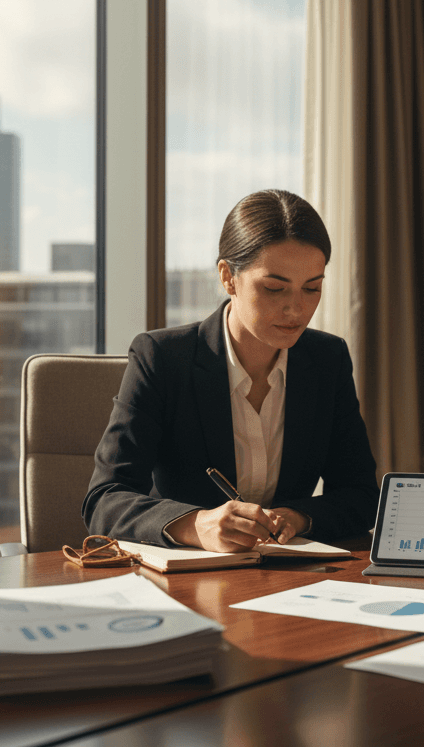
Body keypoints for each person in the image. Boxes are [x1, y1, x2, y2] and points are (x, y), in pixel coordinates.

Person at [85, 189, 379, 552]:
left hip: (289, 578)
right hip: (185, 579)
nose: (296, 309)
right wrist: (196, 525)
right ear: (228, 277)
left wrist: (298, 517)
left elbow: (362, 495)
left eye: (312, 288)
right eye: (274, 288)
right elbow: (105, 499)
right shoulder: (162, 357)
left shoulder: (327, 359)